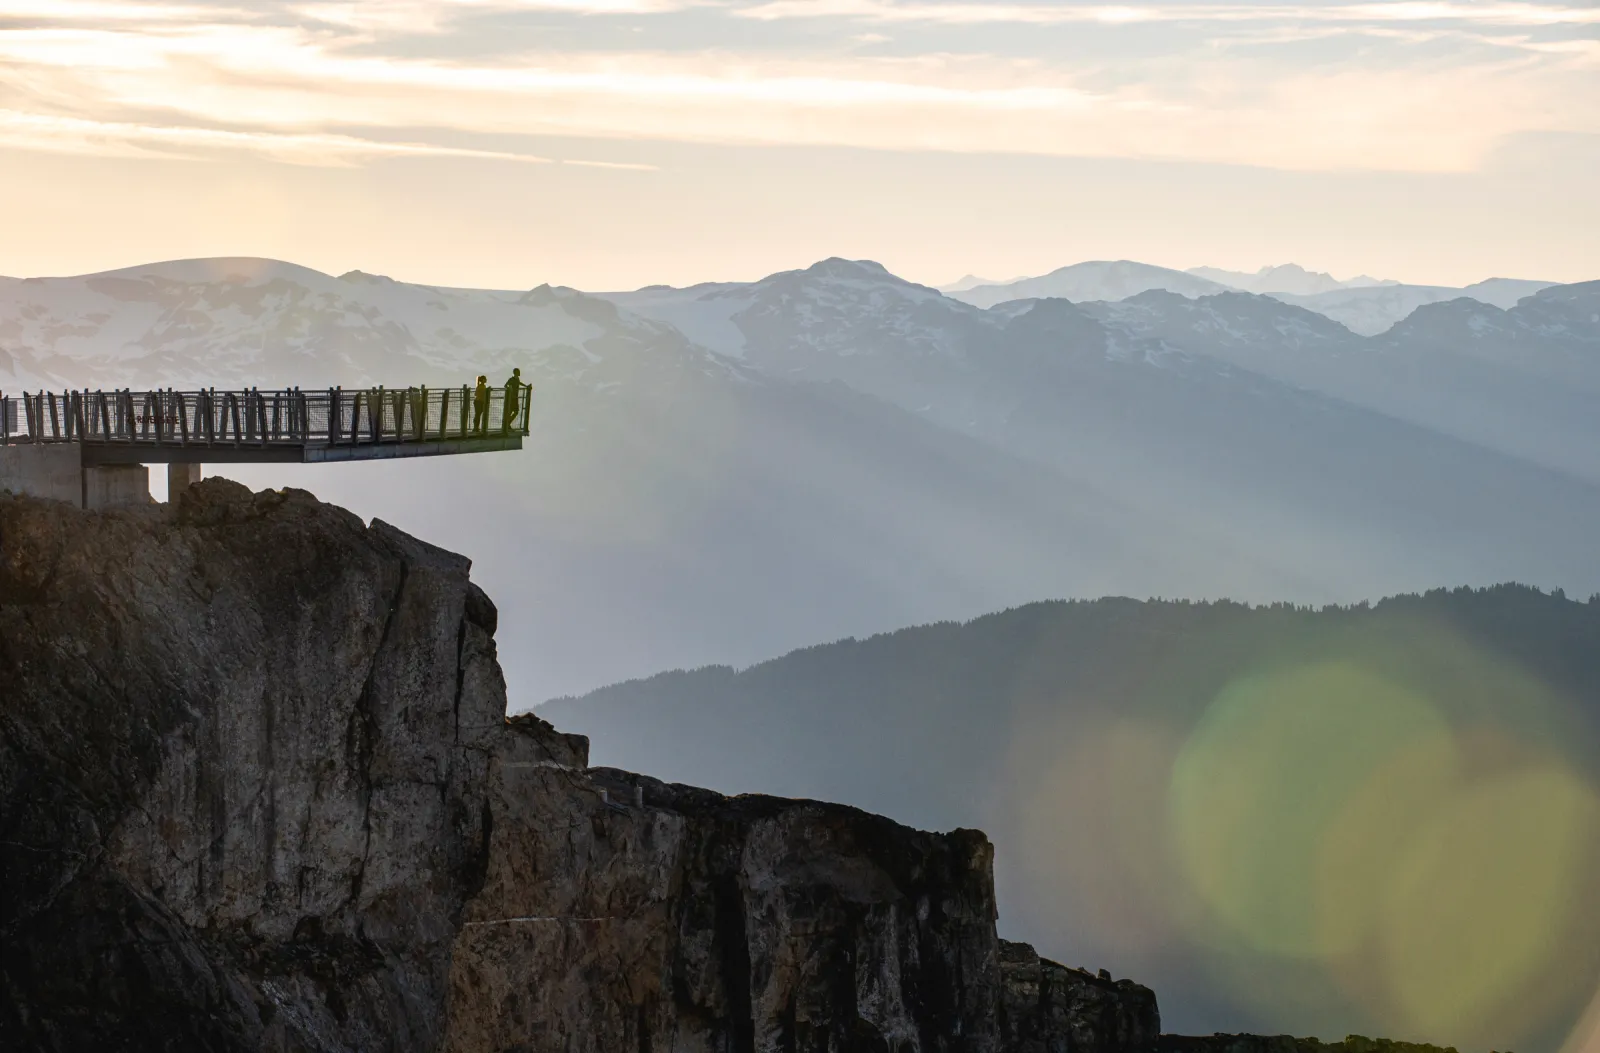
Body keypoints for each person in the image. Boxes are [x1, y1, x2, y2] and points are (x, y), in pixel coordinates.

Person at [502, 368, 525, 433]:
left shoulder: (517, 379)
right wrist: (510, 389)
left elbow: (519, 383)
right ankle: (507, 424)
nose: (520, 373)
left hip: (515, 398)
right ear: (516, 372)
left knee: (515, 411)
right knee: (512, 411)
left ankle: (507, 424)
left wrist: (526, 386)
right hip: (512, 398)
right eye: (518, 372)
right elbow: (505, 385)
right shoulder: (511, 379)